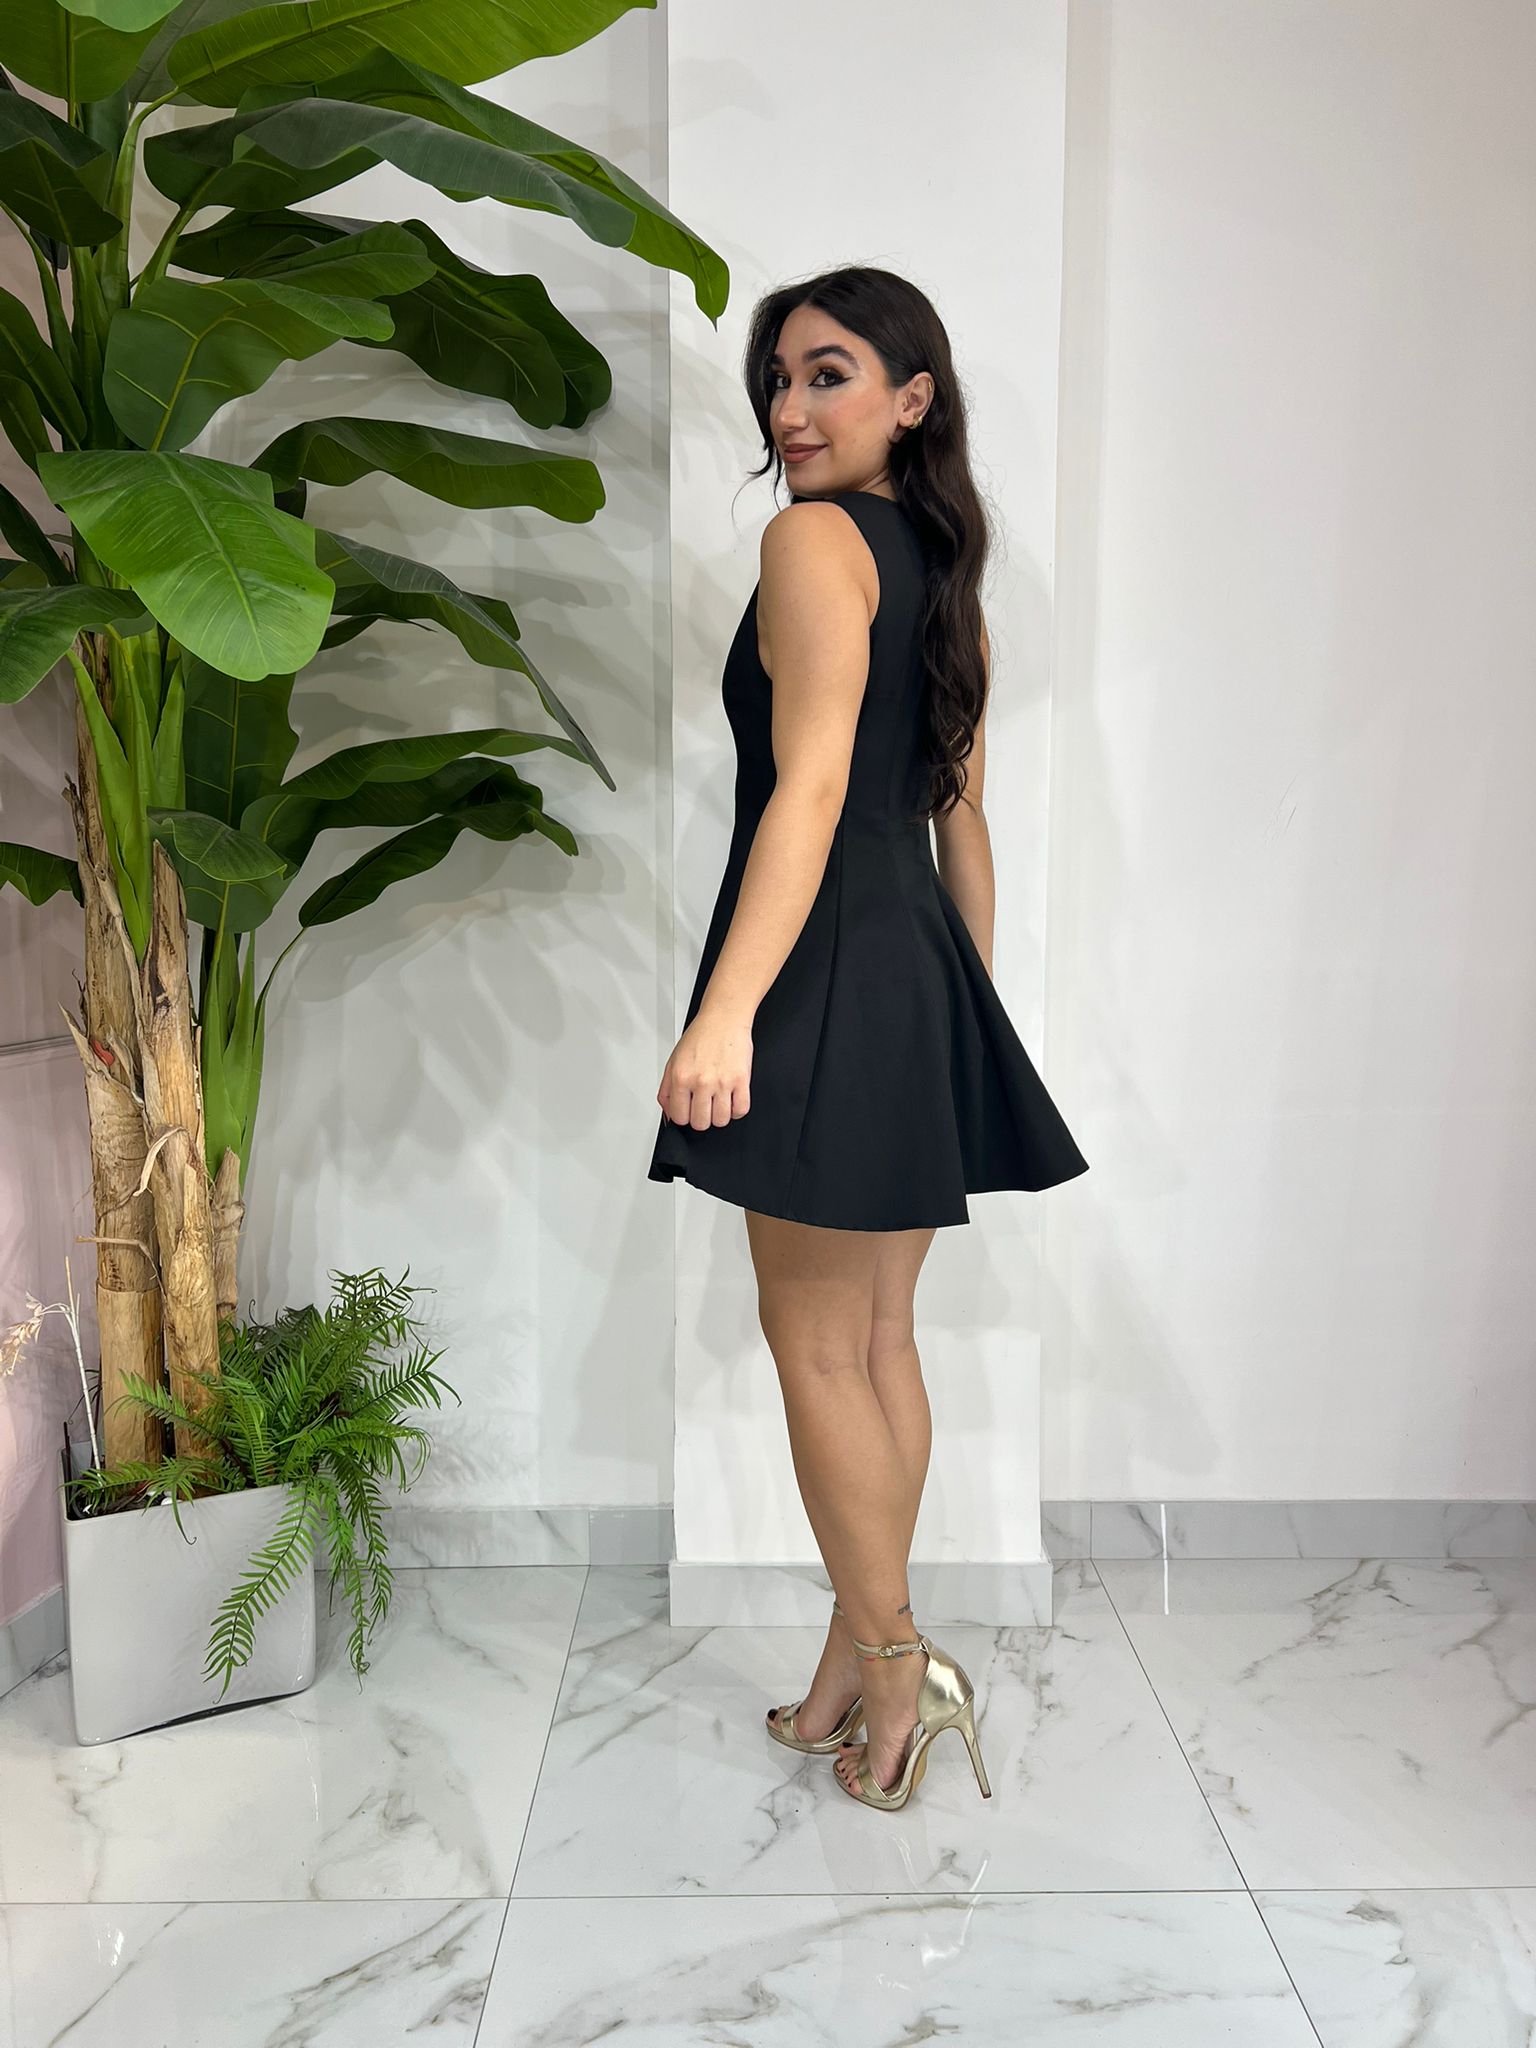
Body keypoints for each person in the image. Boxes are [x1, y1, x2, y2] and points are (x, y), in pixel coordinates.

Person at [648, 266, 1090, 1812]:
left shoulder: (811, 541)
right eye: (777, 378)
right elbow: (963, 816)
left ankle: (900, 1667)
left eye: (827, 374)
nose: (789, 408)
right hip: (908, 966)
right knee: (880, 1340)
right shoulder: (945, 572)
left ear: (913, 398)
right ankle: (857, 1650)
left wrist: (725, 1012)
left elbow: (816, 787)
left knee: (820, 1345)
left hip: (825, 965)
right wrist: (961, 1008)